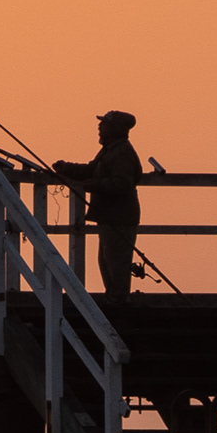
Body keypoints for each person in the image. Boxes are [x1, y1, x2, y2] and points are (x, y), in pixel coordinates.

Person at [54, 111, 152, 300]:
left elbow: (122, 184)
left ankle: (119, 304)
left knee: (117, 264)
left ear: (116, 129)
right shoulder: (110, 150)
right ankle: (114, 300)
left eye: (105, 124)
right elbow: (91, 169)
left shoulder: (122, 153)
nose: (100, 127)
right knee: (107, 263)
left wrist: (95, 185)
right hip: (110, 216)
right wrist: (66, 167)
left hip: (119, 217)